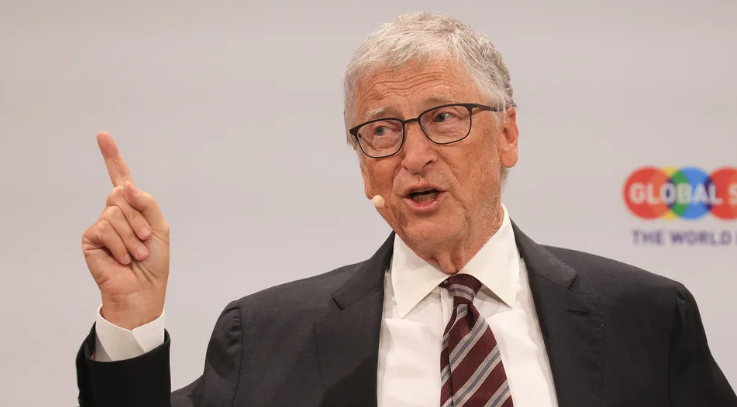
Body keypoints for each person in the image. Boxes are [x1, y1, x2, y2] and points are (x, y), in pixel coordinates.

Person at [75, 12, 736, 407]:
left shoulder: (645, 318)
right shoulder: (267, 335)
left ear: (507, 134)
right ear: (363, 160)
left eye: (443, 117)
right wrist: (131, 321)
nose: (413, 155)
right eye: (382, 130)